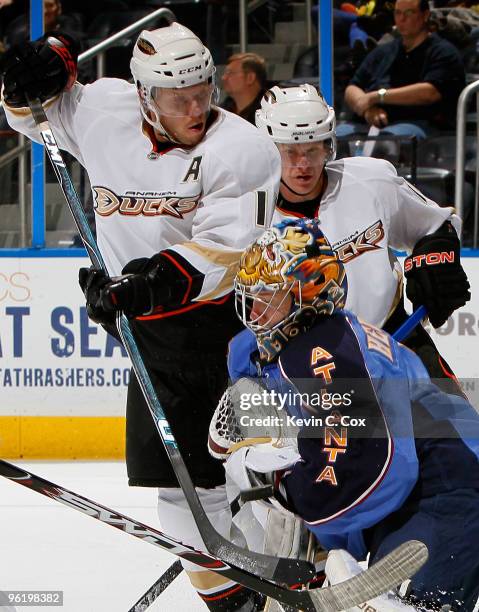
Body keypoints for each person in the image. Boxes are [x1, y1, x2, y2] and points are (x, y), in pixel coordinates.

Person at [1, 22, 281, 611]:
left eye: (203, 89)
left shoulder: (243, 148)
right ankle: (244, 600)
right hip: (148, 334)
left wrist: (143, 285)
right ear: (144, 94)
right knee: (182, 491)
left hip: (228, 329)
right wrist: (36, 73)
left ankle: (281, 564)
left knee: (250, 467)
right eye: (178, 96)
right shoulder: (104, 109)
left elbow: (226, 253)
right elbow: (31, 116)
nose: (196, 105)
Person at [210, 218, 479, 611]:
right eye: (254, 296)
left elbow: (365, 456)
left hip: (451, 482)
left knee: (424, 607)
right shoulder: (320, 343)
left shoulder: (324, 353)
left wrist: (289, 486)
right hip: (422, 487)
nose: (256, 310)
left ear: (306, 295)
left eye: (269, 295)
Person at [251, 82, 470, 392]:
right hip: (313, 370)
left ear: (328, 144)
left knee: (459, 435)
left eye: (313, 149)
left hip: (397, 342)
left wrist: (436, 258)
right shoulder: (249, 216)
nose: (303, 164)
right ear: (269, 151)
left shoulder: (371, 179)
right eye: (290, 151)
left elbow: (435, 226)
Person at [340, 0, 466, 140]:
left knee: (388, 141)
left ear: (425, 15)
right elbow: (352, 87)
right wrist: (367, 110)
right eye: (398, 13)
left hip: (418, 124)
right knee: (332, 138)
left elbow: (430, 92)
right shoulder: (383, 51)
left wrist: (376, 96)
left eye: (409, 13)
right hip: (369, 123)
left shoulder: (443, 52)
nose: (402, 19)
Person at [221, 52, 268, 125]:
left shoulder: (268, 112)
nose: (223, 78)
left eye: (230, 73)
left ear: (250, 78)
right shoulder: (222, 111)